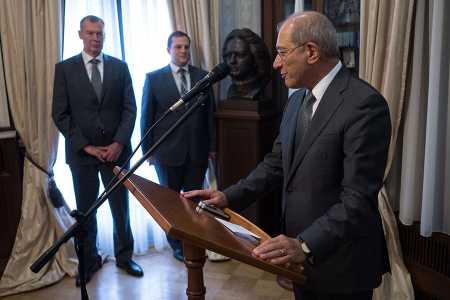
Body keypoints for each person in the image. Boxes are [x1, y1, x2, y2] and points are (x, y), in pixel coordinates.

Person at [183, 11, 391, 300]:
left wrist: (304, 244)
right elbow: (276, 163)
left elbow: (356, 199)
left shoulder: (365, 105)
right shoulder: (296, 101)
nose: (275, 63)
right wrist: (228, 197)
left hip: (342, 262)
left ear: (311, 52)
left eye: (282, 52)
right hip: (300, 259)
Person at [52, 15, 143, 286]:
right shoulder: (64, 69)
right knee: (86, 212)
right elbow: (60, 114)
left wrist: (118, 143)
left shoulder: (120, 67)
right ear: (80, 35)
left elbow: (130, 109)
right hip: (82, 156)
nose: (95, 38)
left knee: (121, 209)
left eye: (99, 34)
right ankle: (88, 261)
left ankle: (125, 258)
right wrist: (88, 147)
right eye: (90, 33)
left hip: (117, 153)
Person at [140, 31, 216, 261]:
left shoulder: (203, 77)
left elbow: (210, 116)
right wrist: (148, 152)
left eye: (186, 47)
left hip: (197, 152)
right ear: (169, 50)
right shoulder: (154, 79)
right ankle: (176, 246)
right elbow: (147, 118)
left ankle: (193, 241)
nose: (183, 51)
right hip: (166, 153)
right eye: (178, 47)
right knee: (171, 203)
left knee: (193, 202)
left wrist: (212, 147)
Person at [222, 28, 271, 100]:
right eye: (228, 55)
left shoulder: (257, 91)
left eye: (240, 55)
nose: (232, 61)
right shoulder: (231, 91)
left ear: (255, 58)